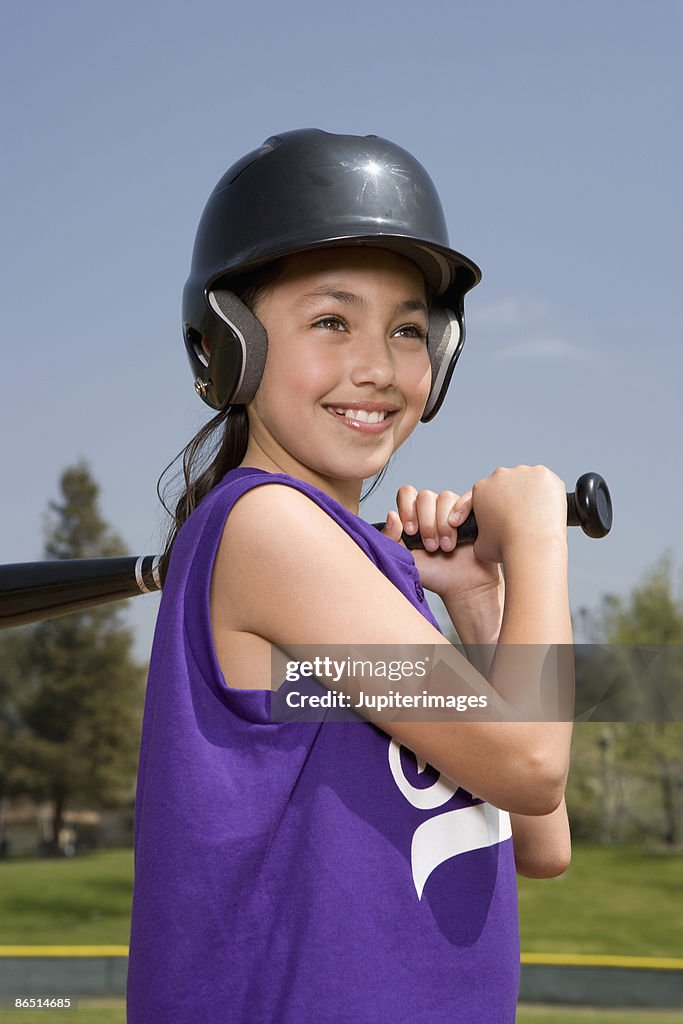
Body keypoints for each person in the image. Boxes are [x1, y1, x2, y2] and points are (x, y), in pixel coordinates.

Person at [126, 129, 572, 1024]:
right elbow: (529, 761)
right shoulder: (269, 528)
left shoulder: (355, 567)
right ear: (229, 344)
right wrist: (538, 540)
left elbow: (541, 832)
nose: (376, 367)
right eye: (331, 321)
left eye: (407, 329)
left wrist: (480, 596)